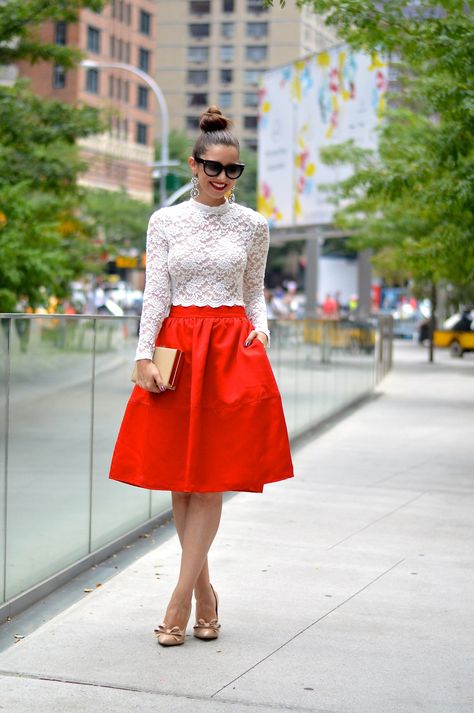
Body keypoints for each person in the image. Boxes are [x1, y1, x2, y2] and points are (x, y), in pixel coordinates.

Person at [108, 106, 294, 648]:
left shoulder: (254, 225)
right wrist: (145, 356)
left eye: (233, 170)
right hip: (179, 346)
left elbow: (255, 289)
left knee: (209, 480)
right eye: (213, 167)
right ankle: (206, 596)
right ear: (194, 164)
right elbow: (156, 294)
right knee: (182, 481)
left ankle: (177, 602)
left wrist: (261, 330)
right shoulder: (163, 221)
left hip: (231, 348)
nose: (222, 178)